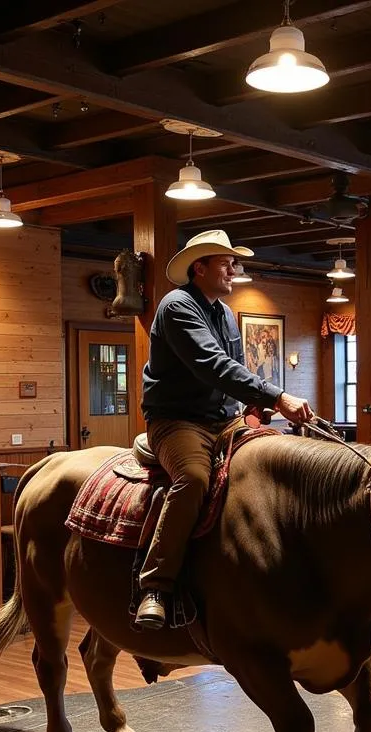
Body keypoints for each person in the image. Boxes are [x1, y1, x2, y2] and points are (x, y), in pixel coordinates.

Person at [135, 229, 315, 629]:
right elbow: (212, 365)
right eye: (226, 262)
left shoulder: (223, 313)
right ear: (200, 267)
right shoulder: (176, 306)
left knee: (277, 460)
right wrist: (277, 396)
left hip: (224, 419)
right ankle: (156, 585)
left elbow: (232, 371)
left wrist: (254, 403)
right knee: (194, 480)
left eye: (234, 262)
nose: (234, 269)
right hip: (179, 421)